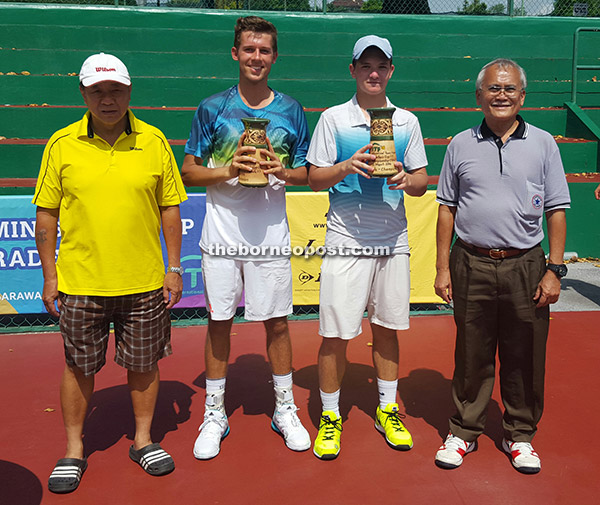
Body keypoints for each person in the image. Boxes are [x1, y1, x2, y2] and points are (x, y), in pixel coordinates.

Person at [34, 53, 186, 493]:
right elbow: (46, 218)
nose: (107, 99)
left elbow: (170, 210)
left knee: (144, 365)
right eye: (97, 91)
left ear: (129, 91)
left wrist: (173, 268)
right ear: (83, 94)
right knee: (79, 367)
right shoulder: (61, 144)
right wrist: (49, 277)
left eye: (115, 90)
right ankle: (74, 450)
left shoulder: (154, 141)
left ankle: (143, 440)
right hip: (81, 283)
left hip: (143, 282)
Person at [180, 16, 311, 460]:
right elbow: (189, 171)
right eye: (249, 49)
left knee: (277, 322)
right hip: (221, 235)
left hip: (270, 235)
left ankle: (284, 408)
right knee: (219, 322)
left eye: (265, 50)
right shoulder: (210, 108)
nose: (257, 57)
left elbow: (306, 173)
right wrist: (227, 170)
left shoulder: (292, 111)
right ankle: (214, 413)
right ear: (235, 54)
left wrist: (282, 171)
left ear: (275, 56)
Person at [434, 58, 570, 474]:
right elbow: (446, 209)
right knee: (471, 352)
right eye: (493, 88)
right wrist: (442, 268)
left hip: (526, 264)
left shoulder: (545, 143)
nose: (502, 95)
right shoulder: (459, 143)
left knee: (524, 353)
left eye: (510, 89)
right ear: (479, 95)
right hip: (471, 260)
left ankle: (520, 434)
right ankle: (464, 431)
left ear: (522, 95)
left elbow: (557, 209)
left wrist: (555, 268)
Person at [306, 35, 429, 460]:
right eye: (366, 66)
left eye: (381, 66)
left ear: (391, 71)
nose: (374, 73)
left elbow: (420, 183)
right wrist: (345, 166)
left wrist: (401, 177)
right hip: (345, 240)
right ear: (353, 70)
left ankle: (387, 409)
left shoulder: (407, 122)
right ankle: (329, 415)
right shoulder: (333, 119)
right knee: (335, 333)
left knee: (387, 329)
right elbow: (314, 178)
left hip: (392, 241)